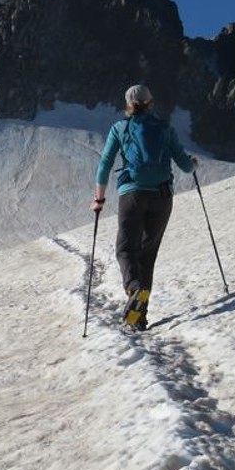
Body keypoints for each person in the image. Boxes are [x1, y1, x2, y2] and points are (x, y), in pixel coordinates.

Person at [91, 84, 197, 331]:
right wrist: (193, 164)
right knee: (147, 256)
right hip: (162, 197)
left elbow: (105, 163)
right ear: (151, 102)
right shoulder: (164, 128)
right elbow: (184, 165)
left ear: (128, 105)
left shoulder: (120, 128)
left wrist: (99, 199)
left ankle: (133, 288)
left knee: (126, 250)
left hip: (132, 194)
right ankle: (139, 317)